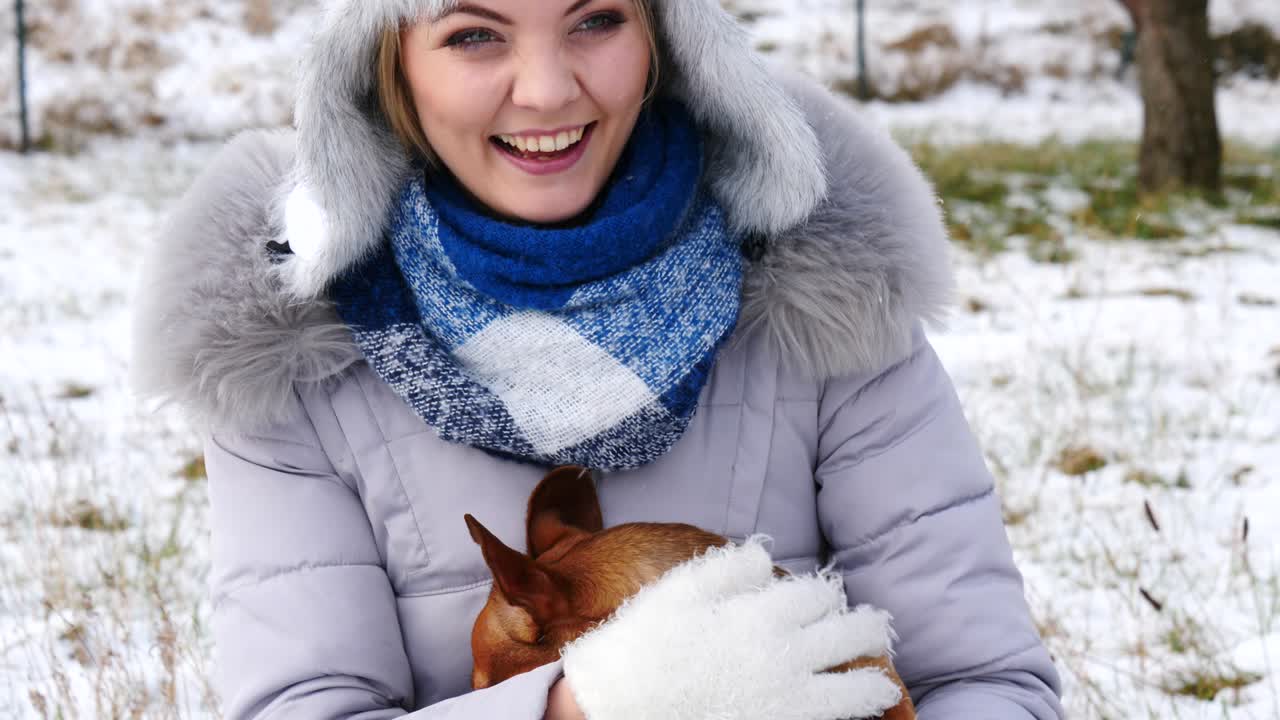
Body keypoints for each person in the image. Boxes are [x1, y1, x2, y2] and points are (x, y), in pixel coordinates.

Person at [131, 1, 1065, 718]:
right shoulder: (290, 357)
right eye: (473, 35)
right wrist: (579, 704)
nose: (545, 90)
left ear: (667, 37)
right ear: (385, 66)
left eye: (597, 20)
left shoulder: (826, 298)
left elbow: (981, 681)